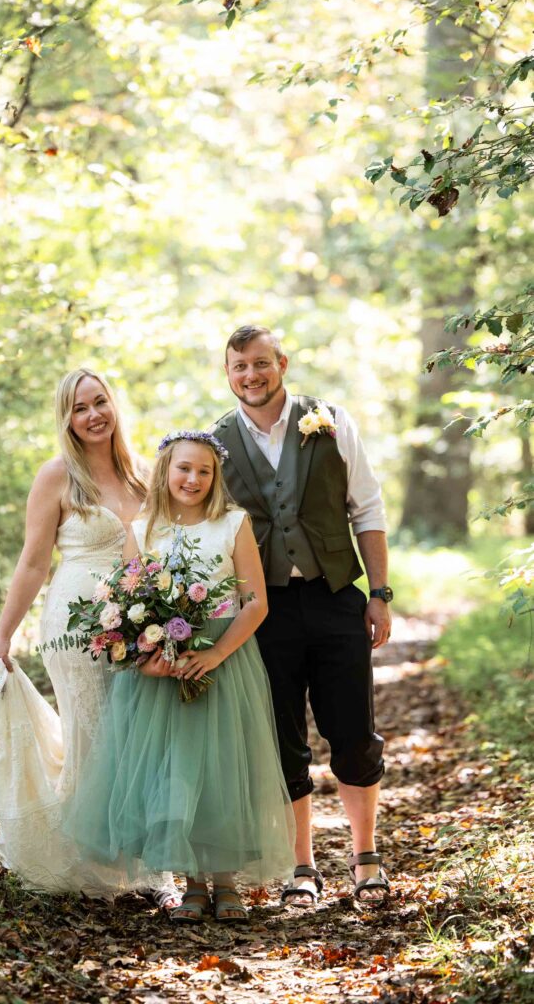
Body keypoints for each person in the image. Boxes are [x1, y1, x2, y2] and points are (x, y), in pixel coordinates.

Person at [64, 432, 295, 923]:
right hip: (161, 671)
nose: (193, 479)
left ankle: (227, 881)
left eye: (205, 471)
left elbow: (256, 602)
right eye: (184, 469)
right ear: (166, 470)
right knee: (176, 772)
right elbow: (124, 605)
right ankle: (192, 883)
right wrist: (146, 657)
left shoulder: (233, 524)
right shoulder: (144, 527)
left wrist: (216, 655)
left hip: (222, 658)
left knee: (222, 766)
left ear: (216, 478)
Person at [0, 367, 179, 907]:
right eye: (79, 408)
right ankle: (95, 870)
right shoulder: (57, 477)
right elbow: (32, 562)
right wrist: (4, 636)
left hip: (140, 620)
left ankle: (137, 864)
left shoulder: (146, 474)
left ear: (114, 405)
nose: (93, 415)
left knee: (139, 737)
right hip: (74, 623)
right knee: (93, 733)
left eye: (99, 403)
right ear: (66, 419)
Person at [211, 325, 392, 906]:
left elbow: (367, 508)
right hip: (263, 610)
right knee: (282, 739)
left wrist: (380, 592)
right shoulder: (214, 443)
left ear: (281, 363)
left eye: (260, 363)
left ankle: (365, 858)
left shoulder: (331, 421)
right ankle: (302, 868)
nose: (251, 376)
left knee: (353, 733)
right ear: (228, 373)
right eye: (239, 367)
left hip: (335, 594)